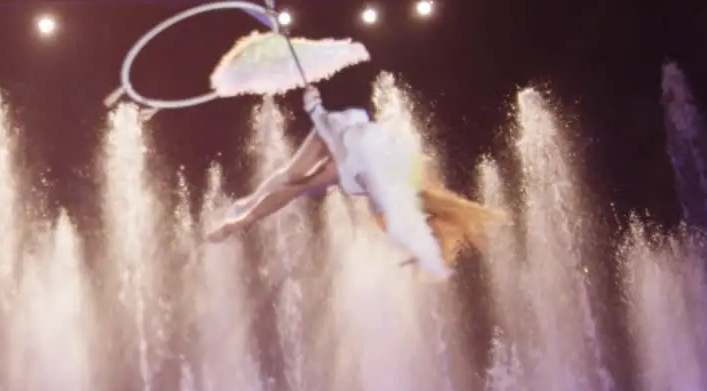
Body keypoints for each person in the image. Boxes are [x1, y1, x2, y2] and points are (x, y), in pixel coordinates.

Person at [205, 87, 504, 278]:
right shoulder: (367, 162)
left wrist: (420, 253)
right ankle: (242, 217)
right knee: (293, 179)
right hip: (341, 133)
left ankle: (243, 216)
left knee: (297, 183)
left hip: (354, 162)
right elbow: (332, 128)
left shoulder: (393, 197)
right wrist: (314, 107)